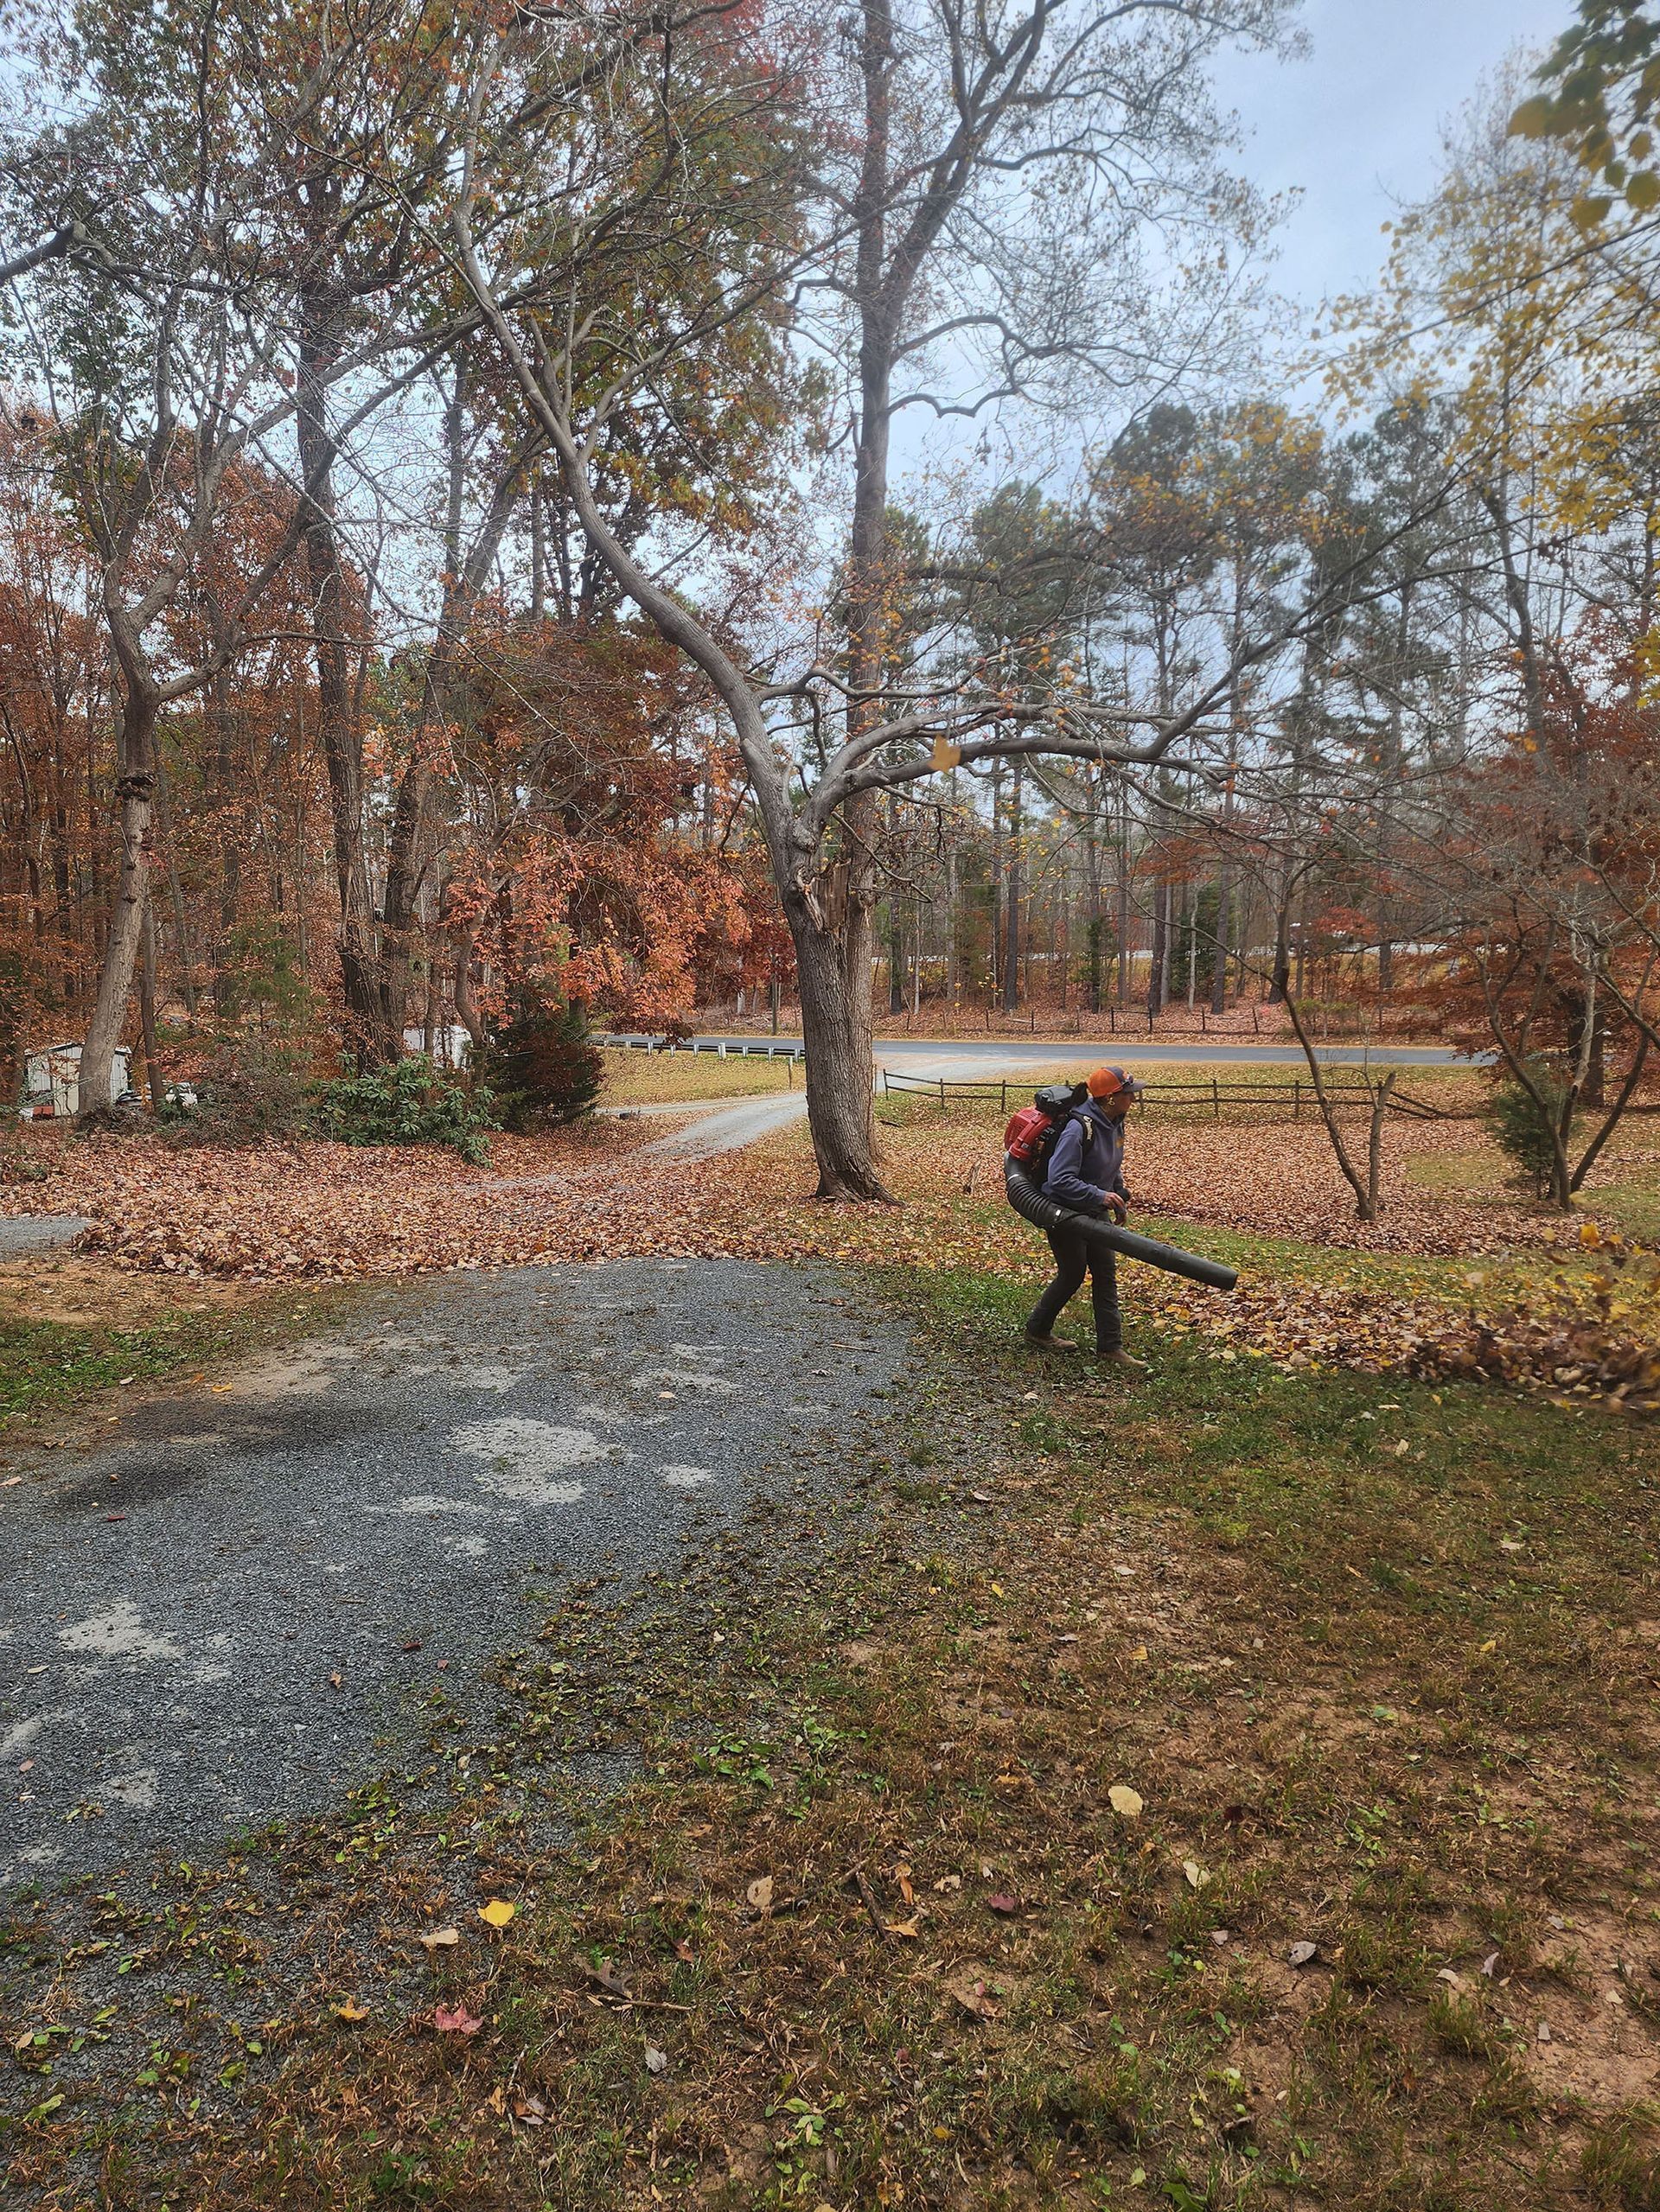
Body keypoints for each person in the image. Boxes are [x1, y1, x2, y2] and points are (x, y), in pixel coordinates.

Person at [1025, 1065, 1146, 1374]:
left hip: (1094, 1208)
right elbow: (1059, 1179)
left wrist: (1117, 1192)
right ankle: (1038, 1330)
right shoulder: (1079, 1128)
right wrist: (1099, 1195)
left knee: (1105, 1273)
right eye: (1128, 1094)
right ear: (1110, 1098)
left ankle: (1110, 1347)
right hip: (1065, 1211)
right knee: (1073, 1273)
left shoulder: (1116, 1121)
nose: (1134, 1098)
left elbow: (1112, 1162)